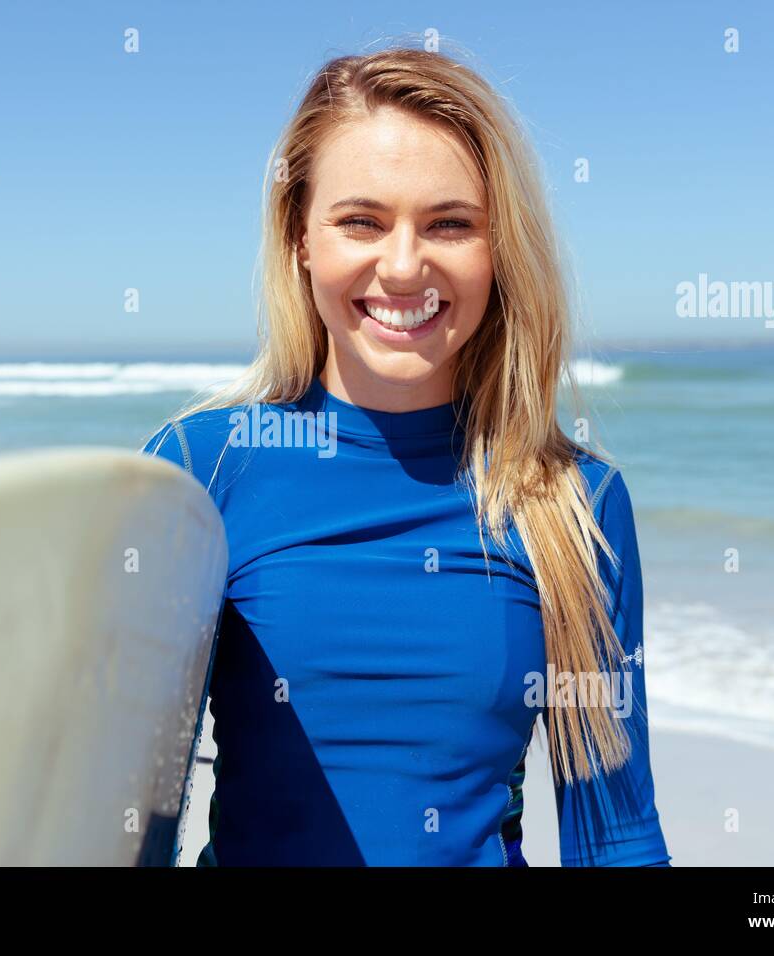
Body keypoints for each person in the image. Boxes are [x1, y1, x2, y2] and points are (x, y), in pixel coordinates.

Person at [143, 46, 671, 867]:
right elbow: (128, 816)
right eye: (361, 221)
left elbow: (618, 839)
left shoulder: (576, 502)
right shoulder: (200, 471)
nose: (402, 265)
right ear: (300, 239)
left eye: (450, 224)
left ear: (499, 251)